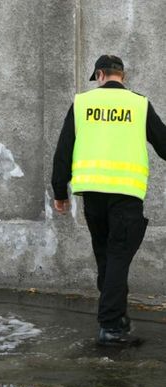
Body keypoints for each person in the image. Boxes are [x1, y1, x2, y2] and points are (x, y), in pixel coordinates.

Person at [52, 55, 166, 346]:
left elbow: (64, 149)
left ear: (100, 75)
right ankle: (111, 326)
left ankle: (117, 318)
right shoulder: (139, 105)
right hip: (125, 195)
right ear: (122, 76)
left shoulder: (82, 103)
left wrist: (59, 192)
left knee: (106, 256)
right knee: (117, 257)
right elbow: (164, 144)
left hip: (92, 195)